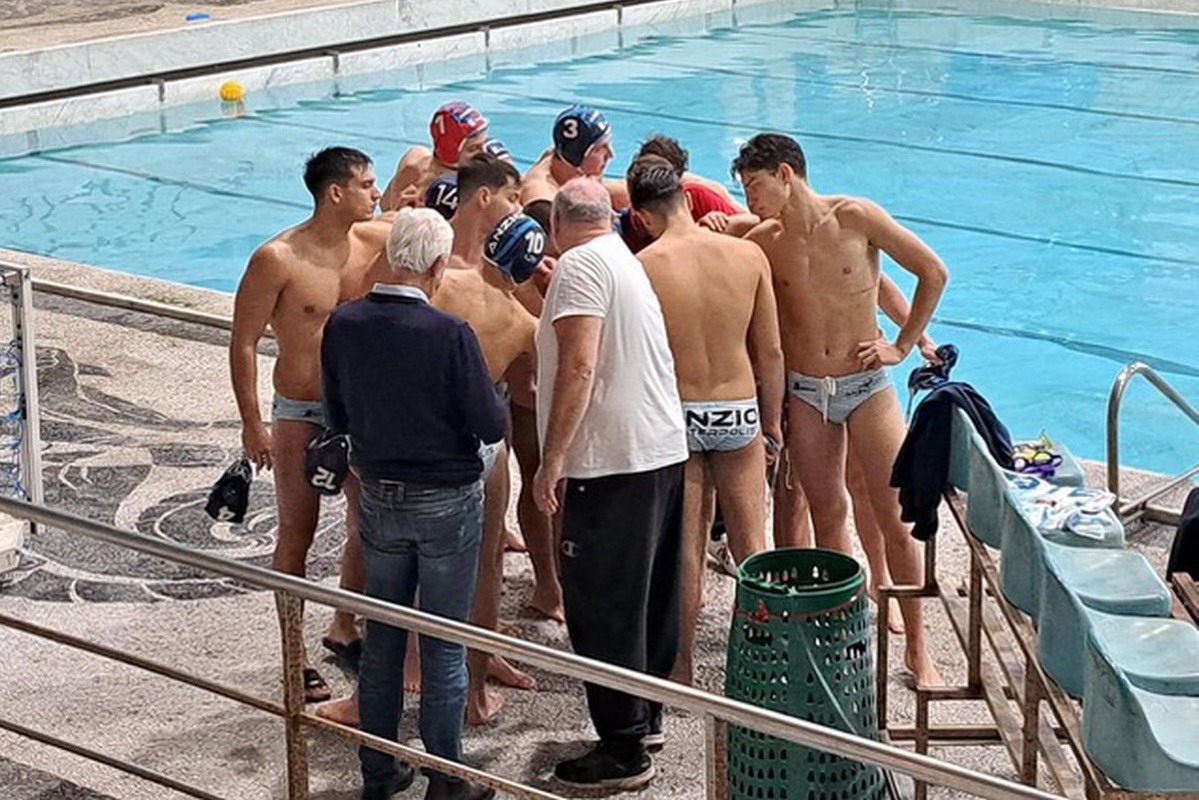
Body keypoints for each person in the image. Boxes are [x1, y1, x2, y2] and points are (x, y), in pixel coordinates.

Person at [733, 133, 947, 686]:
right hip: (807, 393)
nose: (749, 198)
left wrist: (903, 345)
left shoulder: (856, 218)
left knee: (896, 517)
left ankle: (920, 645)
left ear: (785, 174)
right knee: (828, 514)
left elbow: (933, 272)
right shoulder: (763, 241)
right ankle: (846, 627)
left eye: (754, 186)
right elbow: (729, 247)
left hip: (867, 385)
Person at [322, 208, 502, 800]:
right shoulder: (450, 334)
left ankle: (379, 772)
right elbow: (489, 422)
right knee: (443, 644)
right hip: (445, 499)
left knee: (384, 642)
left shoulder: (343, 324)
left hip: (378, 495)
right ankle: (446, 779)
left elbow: (338, 414)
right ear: (436, 265)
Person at [532, 178, 688, 791]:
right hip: (659, 451)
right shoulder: (622, 260)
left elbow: (579, 363)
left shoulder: (578, 268)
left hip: (611, 462)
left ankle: (623, 750)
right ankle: (644, 717)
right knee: (648, 596)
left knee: (602, 604)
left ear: (557, 226)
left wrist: (553, 460)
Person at [230, 146, 386, 702]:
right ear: (336, 192)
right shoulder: (278, 257)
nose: (378, 192)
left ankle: (344, 624)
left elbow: (438, 238)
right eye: (368, 185)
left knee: (370, 523)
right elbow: (243, 341)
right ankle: (293, 658)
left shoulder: (374, 242)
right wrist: (253, 424)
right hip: (300, 410)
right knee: (296, 532)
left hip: (357, 409)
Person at [625, 156, 784, 686]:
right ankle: (767, 664)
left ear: (643, 217)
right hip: (739, 410)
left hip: (679, 415)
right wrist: (773, 427)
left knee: (686, 552)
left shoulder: (645, 266)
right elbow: (771, 353)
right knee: (752, 548)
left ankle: (682, 666)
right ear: (689, 201)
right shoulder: (747, 255)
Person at [381, 101, 488, 211]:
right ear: (451, 152)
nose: (484, 152)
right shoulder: (413, 170)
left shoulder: (416, 156)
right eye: (473, 148)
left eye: (484, 143)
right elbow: (387, 210)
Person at [521, 104, 626, 216]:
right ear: (577, 156)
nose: (610, 155)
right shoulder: (542, 198)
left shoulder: (564, 165)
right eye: (601, 148)